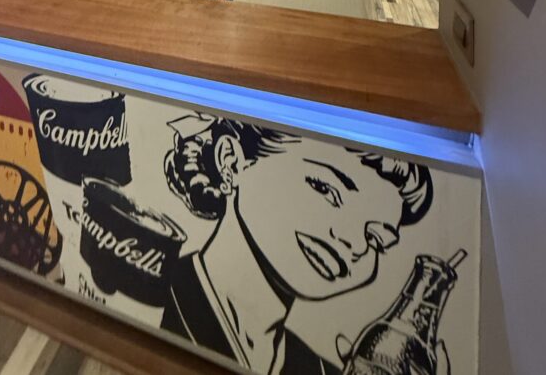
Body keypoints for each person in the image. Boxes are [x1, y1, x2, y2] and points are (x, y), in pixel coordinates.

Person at [161, 114, 435, 374]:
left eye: (375, 238)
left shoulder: (322, 369)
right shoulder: (155, 300)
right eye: (325, 189)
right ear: (231, 162)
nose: (354, 243)